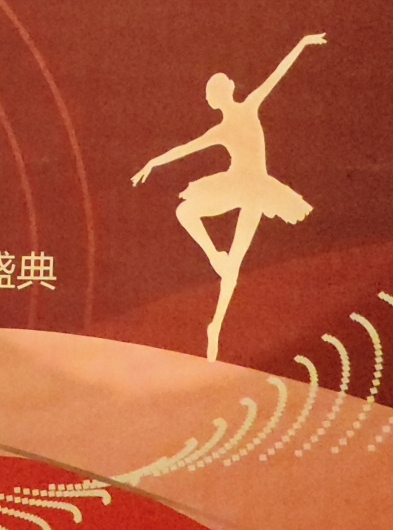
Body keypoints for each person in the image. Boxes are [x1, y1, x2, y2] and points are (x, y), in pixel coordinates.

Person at [132, 33, 324, 361]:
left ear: (222, 95)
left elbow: (278, 74)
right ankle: (213, 259)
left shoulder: (247, 109)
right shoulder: (225, 126)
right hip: (240, 185)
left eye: (212, 94)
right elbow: (185, 148)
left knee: (230, 262)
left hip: (255, 188)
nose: (212, 99)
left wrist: (302, 44)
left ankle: (215, 327)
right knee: (188, 216)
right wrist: (153, 161)